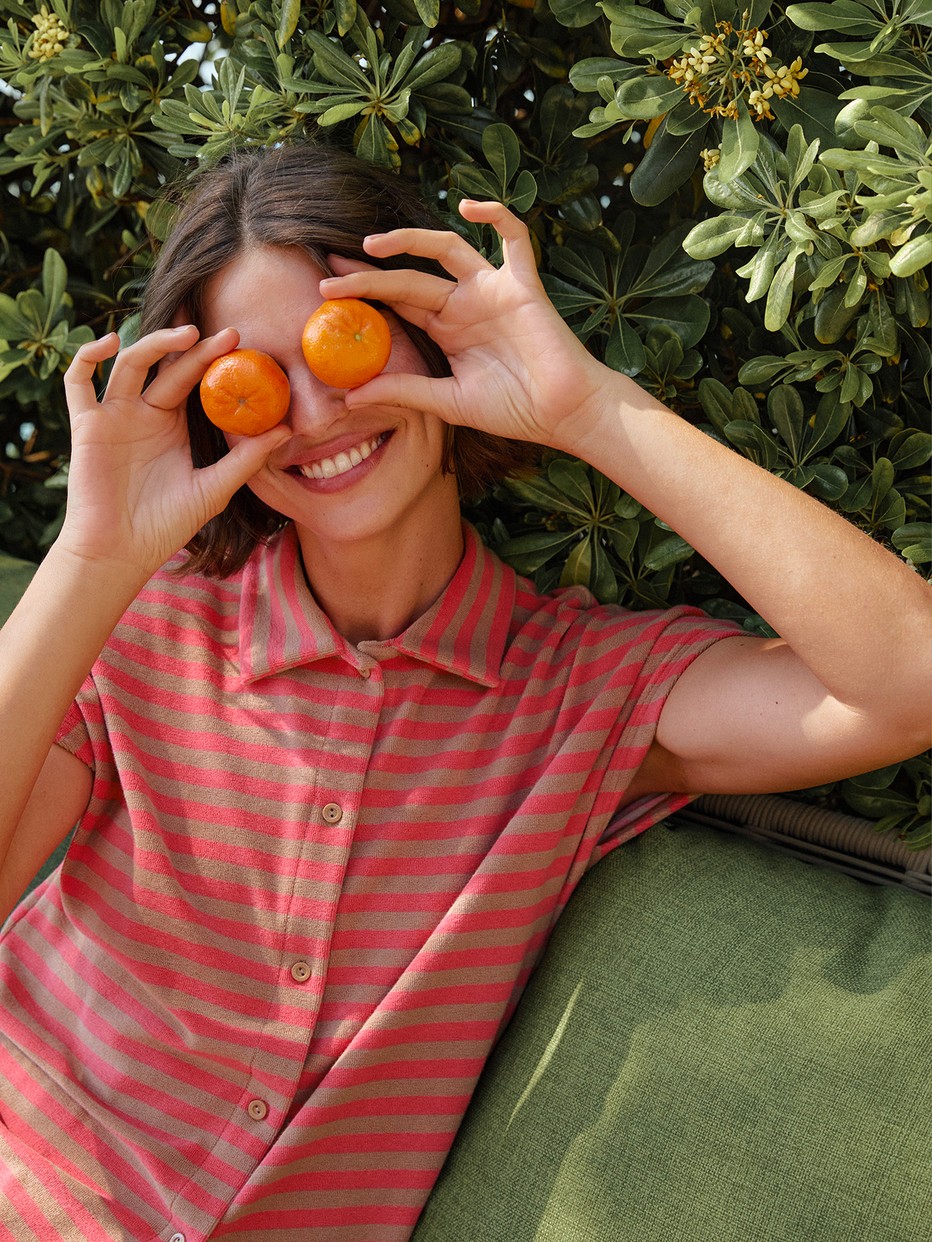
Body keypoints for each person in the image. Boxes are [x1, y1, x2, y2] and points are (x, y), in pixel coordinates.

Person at [0, 142, 928, 1241]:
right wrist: (91, 559)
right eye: (254, 381)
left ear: (428, 331)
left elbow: (907, 681)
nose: (315, 414)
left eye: (342, 339)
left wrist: (583, 407)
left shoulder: (581, 694)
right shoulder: (142, 621)